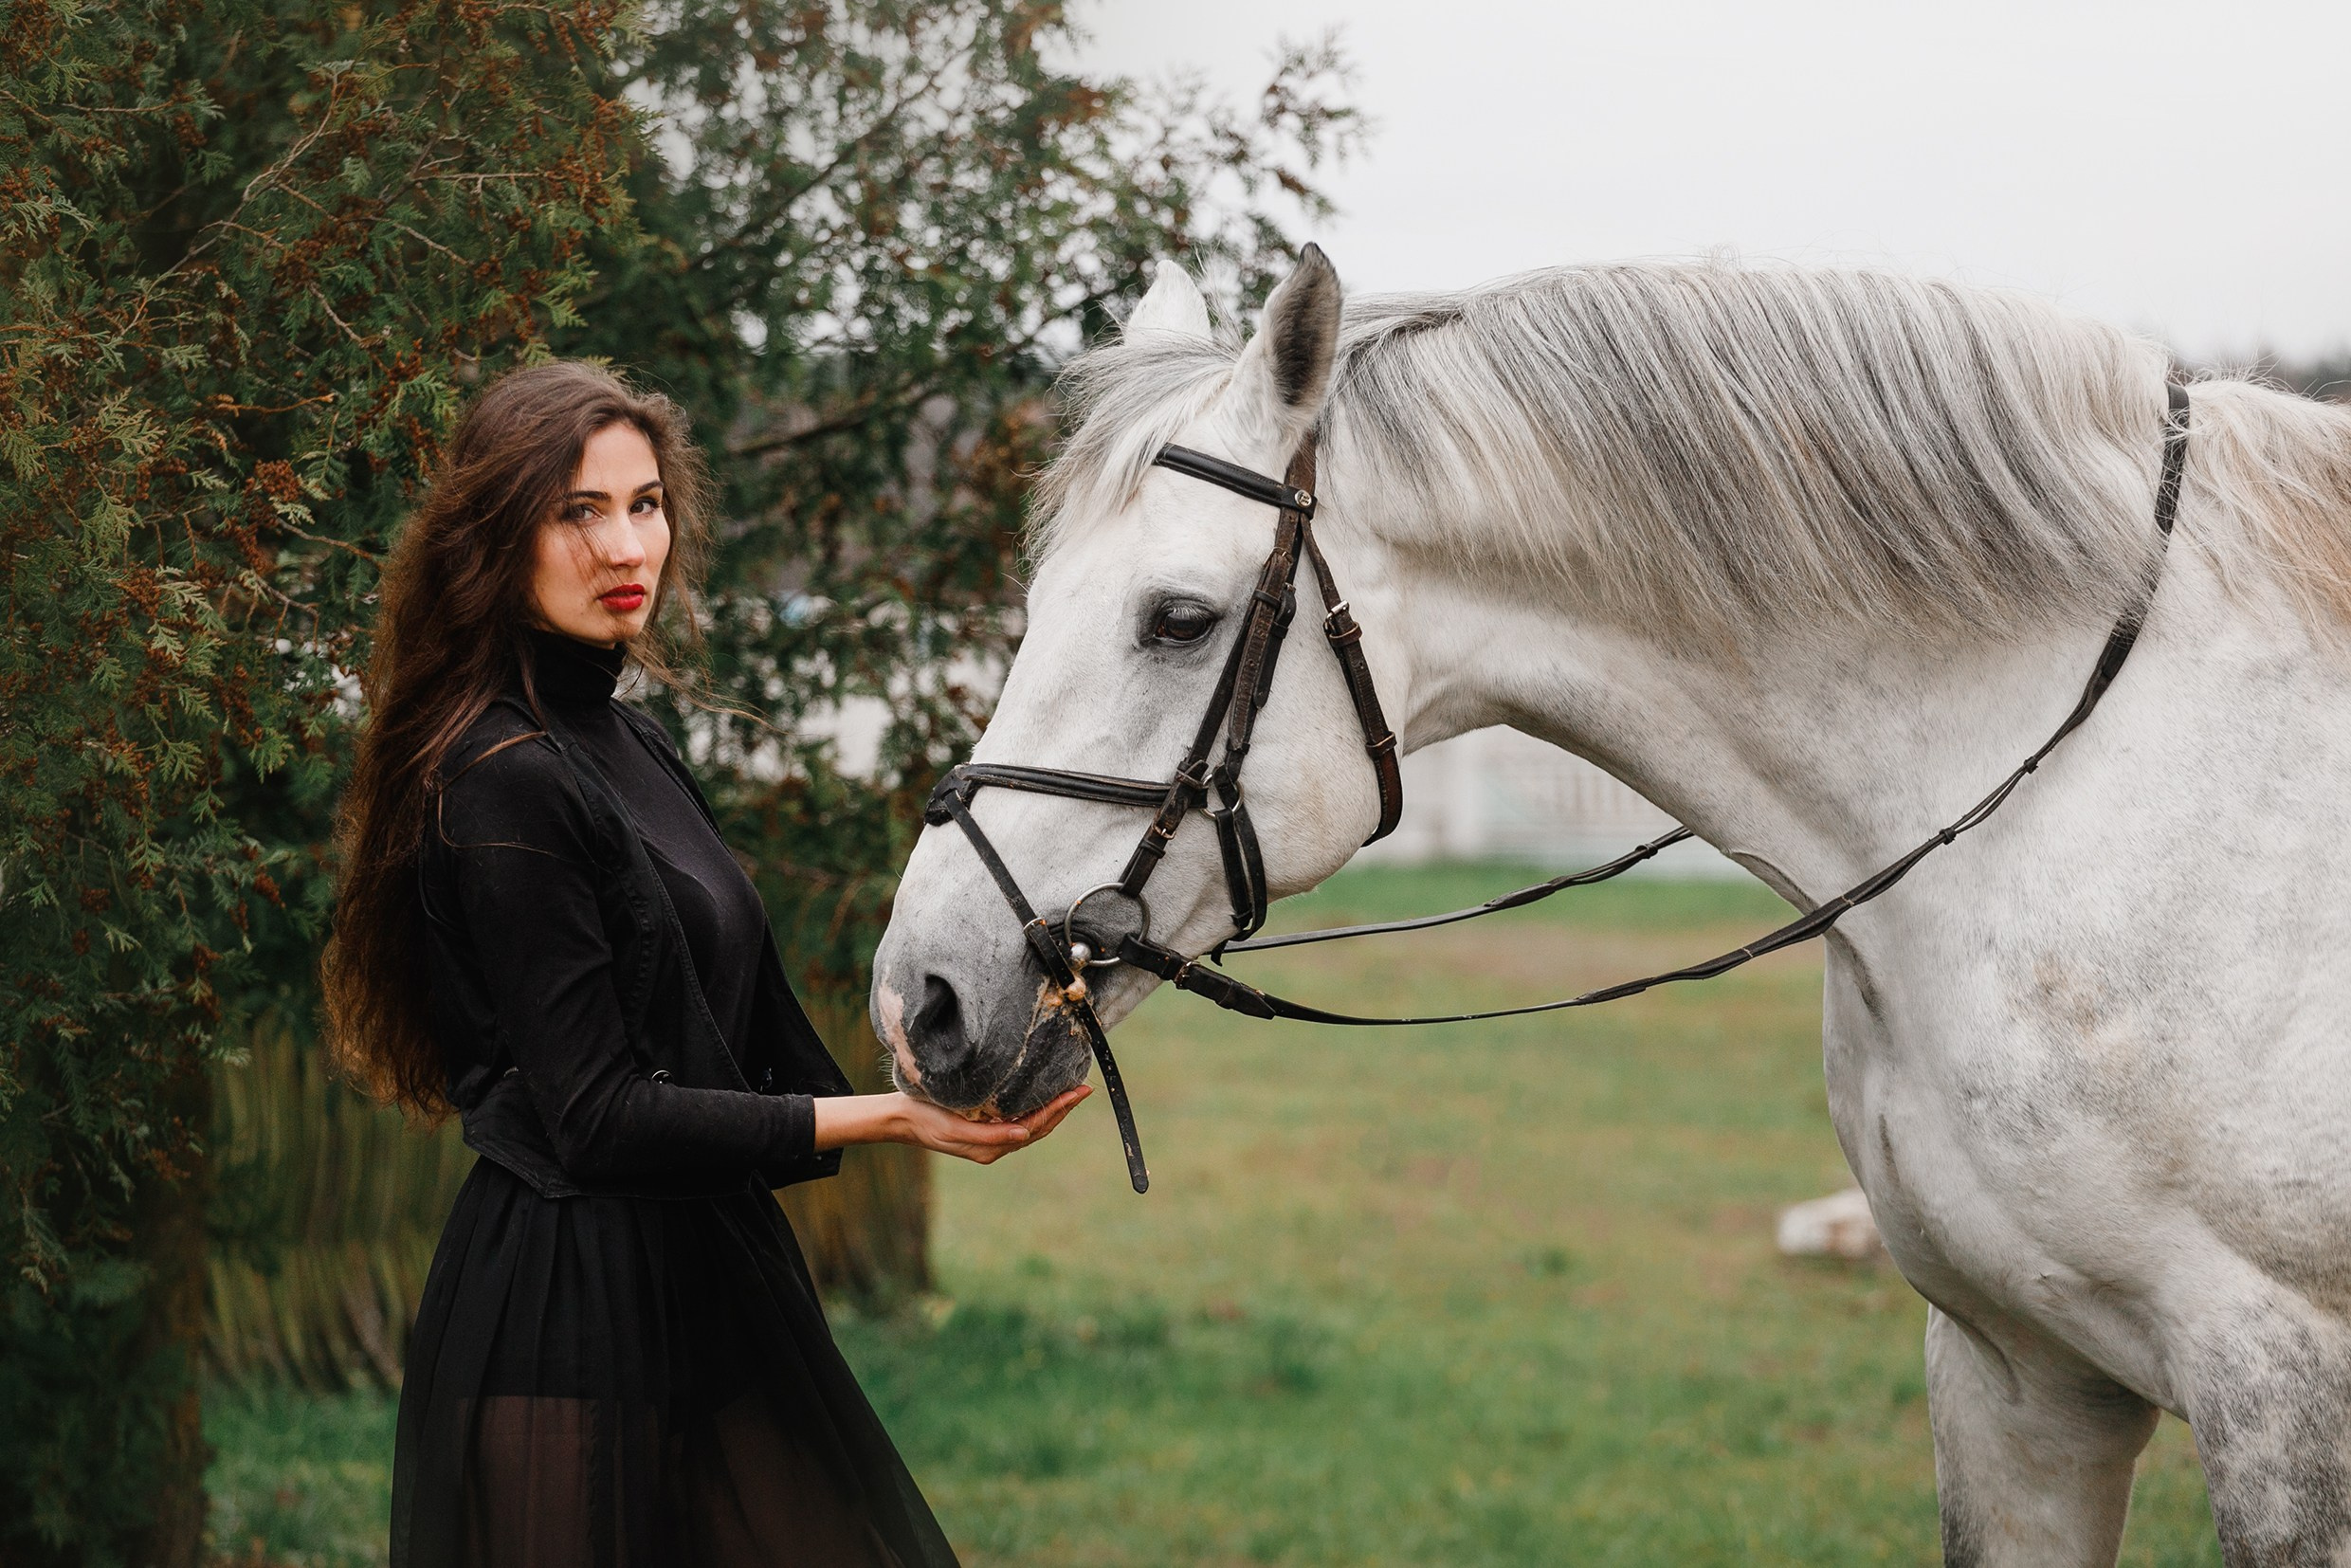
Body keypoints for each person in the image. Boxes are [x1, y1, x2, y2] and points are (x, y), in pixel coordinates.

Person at [323, 360, 1085, 1565]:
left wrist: (944, 1072)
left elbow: (728, 1026)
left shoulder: (624, 734)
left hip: (704, 1280)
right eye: (576, 510)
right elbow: (597, 1117)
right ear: (493, 533)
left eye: (643, 502)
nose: (624, 542)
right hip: (564, 1310)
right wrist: (890, 1122)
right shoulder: (501, 777)